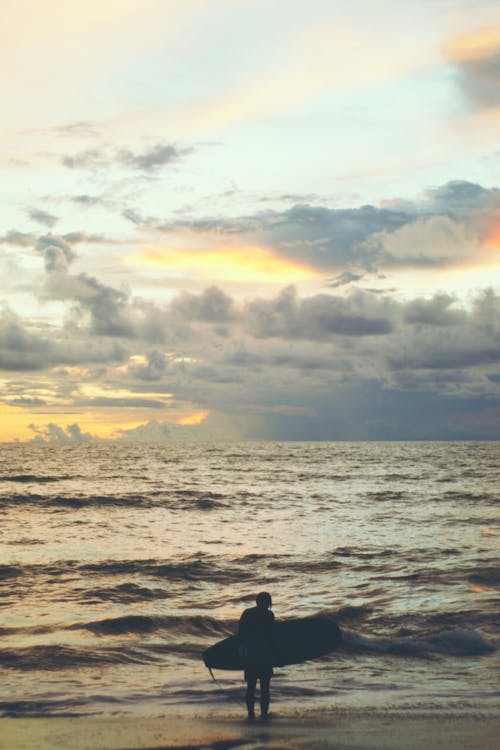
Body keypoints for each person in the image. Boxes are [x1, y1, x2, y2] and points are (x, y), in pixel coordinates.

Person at [238, 591, 275, 719]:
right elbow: (272, 637)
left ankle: (251, 714)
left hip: (251, 656)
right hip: (265, 656)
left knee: (251, 687)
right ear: (268, 603)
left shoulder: (247, 613)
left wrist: (242, 654)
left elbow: (241, 635)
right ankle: (264, 714)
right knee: (265, 688)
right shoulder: (269, 615)